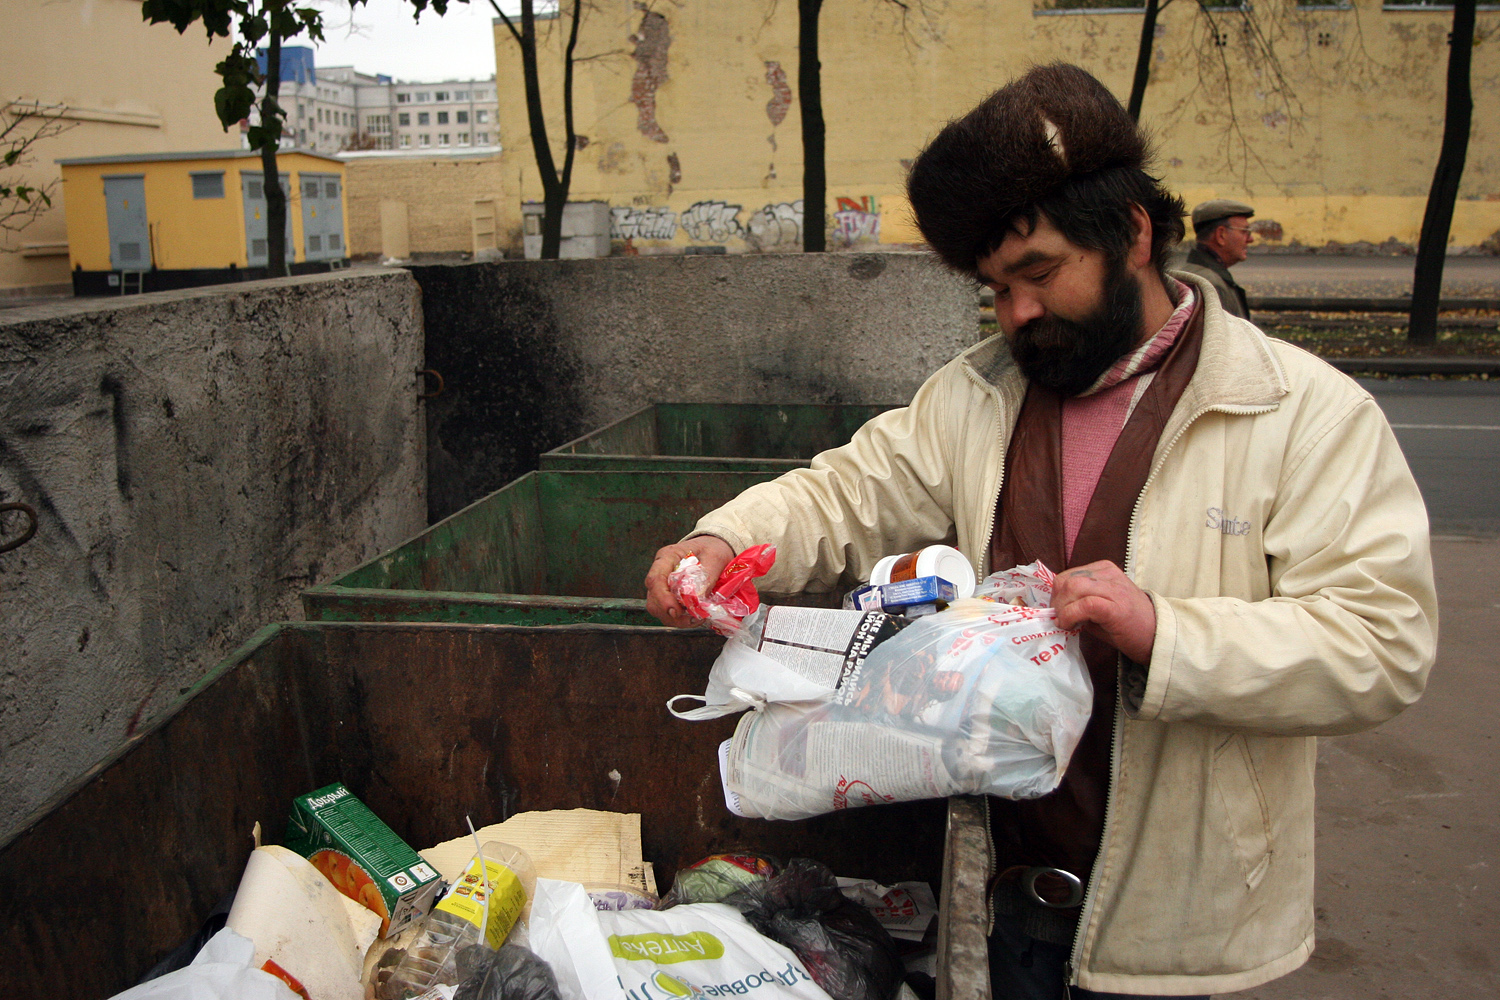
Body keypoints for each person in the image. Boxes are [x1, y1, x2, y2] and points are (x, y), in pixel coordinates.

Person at [643, 63, 1436, 999]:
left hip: (1181, 920)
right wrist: (724, 540)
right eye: (994, 288)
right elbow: (850, 489)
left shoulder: (1302, 412)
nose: (1015, 313)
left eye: (1038, 274)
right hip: (1001, 900)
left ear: (1135, 233)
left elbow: (1381, 645)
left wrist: (1166, 634)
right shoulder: (977, 397)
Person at [1180, 198, 1256, 318]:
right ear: (1221, 235)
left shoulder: (1191, 273)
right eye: (1245, 232)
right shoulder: (1211, 285)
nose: (1251, 239)